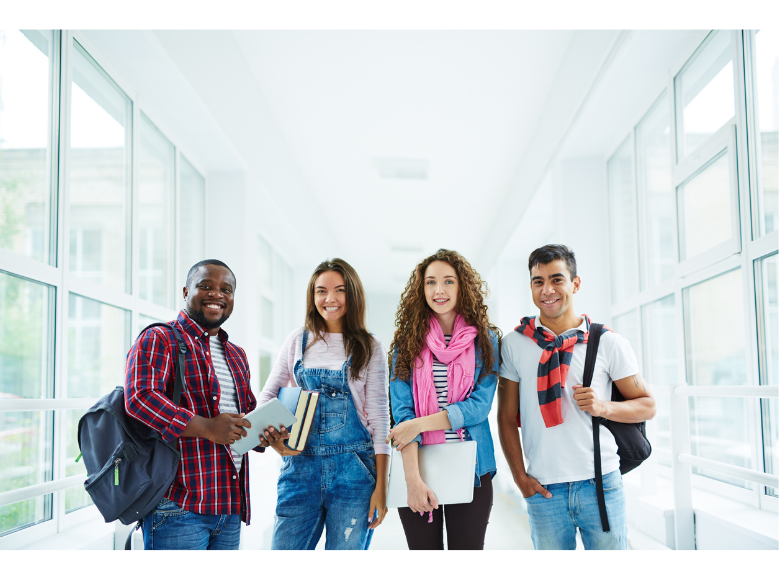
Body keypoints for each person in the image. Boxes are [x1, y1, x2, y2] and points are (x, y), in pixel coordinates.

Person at [497, 244, 656, 550]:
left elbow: (648, 405)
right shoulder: (514, 344)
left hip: (602, 483)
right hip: (544, 488)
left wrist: (603, 406)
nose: (547, 290)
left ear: (575, 283)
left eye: (557, 279)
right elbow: (505, 417)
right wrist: (519, 477)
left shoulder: (607, 342)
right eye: (538, 281)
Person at [125, 259, 286, 550]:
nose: (217, 295)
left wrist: (267, 435)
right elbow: (140, 400)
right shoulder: (159, 338)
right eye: (205, 286)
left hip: (228, 506)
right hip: (178, 505)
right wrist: (207, 428)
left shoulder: (236, 355)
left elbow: (245, 418)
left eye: (226, 289)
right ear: (186, 291)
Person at [257, 258, 390, 550]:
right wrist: (278, 443)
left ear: (352, 294)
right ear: (312, 295)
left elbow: (380, 420)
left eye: (339, 290)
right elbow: (267, 397)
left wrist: (382, 487)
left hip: (354, 471)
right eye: (321, 291)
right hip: (299, 468)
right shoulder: (297, 340)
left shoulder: (371, 347)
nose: (329, 299)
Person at [387, 249, 501, 550]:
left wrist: (419, 424)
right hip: (418, 468)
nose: (439, 290)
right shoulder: (405, 343)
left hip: (473, 469)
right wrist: (412, 480)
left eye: (448, 281)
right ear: (421, 289)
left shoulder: (486, 341)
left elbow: (479, 407)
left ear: (462, 286)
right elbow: (402, 416)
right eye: (430, 282)